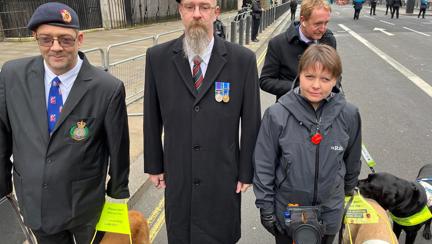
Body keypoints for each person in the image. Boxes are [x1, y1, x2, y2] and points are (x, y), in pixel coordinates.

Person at [0, 2, 130, 244]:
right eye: (46, 39)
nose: (56, 48)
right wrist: (2, 183)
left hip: (85, 207)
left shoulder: (107, 88)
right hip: (36, 204)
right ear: (35, 38)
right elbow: (2, 133)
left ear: (79, 39)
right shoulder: (11, 75)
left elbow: (118, 146)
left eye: (65, 39)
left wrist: (118, 191)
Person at [144, 0, 261, 243]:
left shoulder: (243, 60)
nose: (197, 14)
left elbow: (251, 122)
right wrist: (154, 164)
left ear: (216, 12)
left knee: (220, 235)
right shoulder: (157, 58)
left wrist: (247, 171)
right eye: (189, 6)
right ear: (180, 11)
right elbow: (151, 115)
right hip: (179, 173)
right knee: (181, 234)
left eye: (204, 7)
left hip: (222, 174)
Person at [253, 44, 362, 244]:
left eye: (325, 79)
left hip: (329, 211)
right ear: (299, 74)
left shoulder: (349, 115)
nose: (316, 85)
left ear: (336, 80)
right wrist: (266, 207)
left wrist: (346, 192)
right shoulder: (277, 114)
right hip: (288, 209)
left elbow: (352, 161)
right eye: (309, 76)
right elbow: (264, 163)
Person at [259, 0, 336, 101]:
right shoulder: (278, 43)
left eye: (326, 23)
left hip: (322, 109)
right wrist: (299, 88)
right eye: (318, 24)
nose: (323, 29)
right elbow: (265, 81)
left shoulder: (328, 40)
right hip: (290, 108)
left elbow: (335, 74)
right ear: (303, 20)